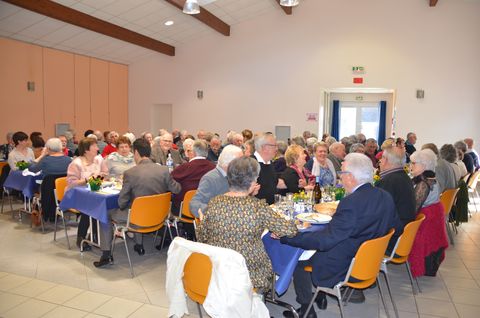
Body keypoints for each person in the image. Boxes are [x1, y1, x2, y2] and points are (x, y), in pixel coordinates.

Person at [281, 153, 402, 318]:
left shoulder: (351, 203)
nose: (340, 178)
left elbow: (325, 241)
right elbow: (397, 228)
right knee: (316, 245)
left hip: (346, 264)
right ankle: (320, 296)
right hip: (369, 261)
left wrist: (288, 237)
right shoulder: (384, 196)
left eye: (342, 174)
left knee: (299, 258)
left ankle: (307, 310)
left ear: (351, 177)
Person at [197, 156, 297, 290]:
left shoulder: (215, 202)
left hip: (219, 268)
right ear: (253, 180)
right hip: (250, 272)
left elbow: (201, 237)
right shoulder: (257, 207)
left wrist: (203, 222)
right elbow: (290, 231)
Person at [94, 138, 181, 267]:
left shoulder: (130, 173)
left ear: (136, 153)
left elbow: (122, 202)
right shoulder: (163, 170)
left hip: (138, 218)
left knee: (105, 213)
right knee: (137, 209)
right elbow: (177, 189)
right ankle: (139, 245)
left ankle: (106, 254)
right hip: (159, 216)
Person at [409, 149, 449, 277]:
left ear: (423, 166)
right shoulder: (430, 177)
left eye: (414, 163)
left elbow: (413, 208)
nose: (410, 166)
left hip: (427, 218)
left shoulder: (424, 183)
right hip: (434, 214)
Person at [66, 137, 108, 250]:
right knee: (89, 209)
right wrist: (87, 180)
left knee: (98, 205)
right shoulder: (76, 163)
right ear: (86, 150)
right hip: (76, 195)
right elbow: (71, 183)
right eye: (94, 146)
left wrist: (100, 177)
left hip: (95, 193)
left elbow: (105, 172)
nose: (97, 148)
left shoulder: (99, 159)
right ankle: (81, 238)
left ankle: (96, 235)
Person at [377, 144, 416, 252]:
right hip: (403, 235)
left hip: (392, 238)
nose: (380, 161)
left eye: (382, 157)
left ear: (386, 160)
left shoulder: (388, 181)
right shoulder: (404, 177)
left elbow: (377, 213)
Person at [189, 145, 244, 217]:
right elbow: (194, 204)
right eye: (241, 162)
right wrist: (219, 211)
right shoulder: (210, 179)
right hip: (221, 223)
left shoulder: (234, 176)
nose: (243, 165)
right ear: (230, 163)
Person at [171, 140, 215, 216]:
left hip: (184, 209)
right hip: (207, 208)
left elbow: (170, 182)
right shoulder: (214, 168)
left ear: (193, 153)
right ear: (206, 153)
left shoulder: (183, 168)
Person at [253, 132, 286, 204]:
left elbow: (275, 182)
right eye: (275, 146)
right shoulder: (251, 164)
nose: (277, 149)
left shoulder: (269, 163)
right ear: (265, 147)